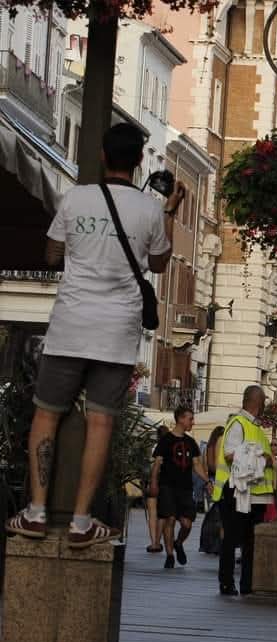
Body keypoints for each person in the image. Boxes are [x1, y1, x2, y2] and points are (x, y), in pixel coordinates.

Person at [6, 122, 186, 547]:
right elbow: (160, 265)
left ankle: (34, 511)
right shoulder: (148, 211)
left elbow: (52, 253)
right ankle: (82, 521)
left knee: (47, 414)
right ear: (139, 161)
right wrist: (170, 210)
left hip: (70, 326)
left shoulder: (76, 198)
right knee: (101, 423)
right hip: (116, 333)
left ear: (104, 156)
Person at [213, 385, 276, 596]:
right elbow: (231, 454)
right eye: (264, 401)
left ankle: (247, 584)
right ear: (257, 402)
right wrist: (263, 459)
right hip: (236, 491)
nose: (266, 405)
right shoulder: (239, 424)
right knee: (232, 539)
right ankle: (227, 582)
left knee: (250, 540)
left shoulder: (254, 426)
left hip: (255, 494)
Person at [150, 405, 204, 569]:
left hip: (185, 488)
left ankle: (178, 543)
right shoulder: (165, 440)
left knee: (187, 524)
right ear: (180, 419)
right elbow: (157, 463)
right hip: (168, 486)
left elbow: (197, 464)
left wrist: (207, 482)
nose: (192, 422)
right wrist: (153, 482)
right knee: (170, 519)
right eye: (190, 418)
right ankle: (170, 555)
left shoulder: (190, 442)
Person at [199, 425, 226, 555]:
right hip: (218, 480)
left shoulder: (208, 446)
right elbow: (214, 465)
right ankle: (218, 544)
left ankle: (212, 543)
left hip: (211, 480)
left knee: (215, 514)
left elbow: (207, 465)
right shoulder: (219, 444)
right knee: (221, 516)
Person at [145, 425, 169, 553]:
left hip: (153, 481)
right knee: (162, 515)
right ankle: (158, 542)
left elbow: (150, 465)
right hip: (166, 483)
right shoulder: (171, 447)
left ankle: (153, 542)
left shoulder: (155, 448)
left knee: (152, 514)